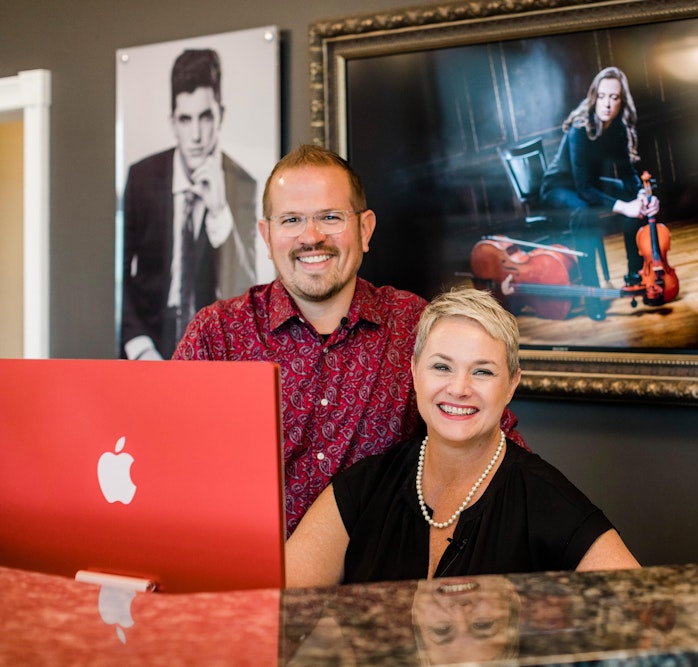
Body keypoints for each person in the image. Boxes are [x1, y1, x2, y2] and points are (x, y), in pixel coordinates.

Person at [172, 145, 523, 535]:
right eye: (291, 219)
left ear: (365, 228)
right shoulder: (217, 336)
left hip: (384, 585)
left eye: (330, 217)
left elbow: (496, 447)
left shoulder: (414, 325)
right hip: (252, 582)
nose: (312, 236)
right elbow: (165, 466)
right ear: (267, 235)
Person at [284, 287, 640, 586]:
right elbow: (269, 606)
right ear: (414, 371)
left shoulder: (547, 499)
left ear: (512, 384)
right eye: (441, 367)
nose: (459, 388)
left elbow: (644, 619)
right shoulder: (363, 486)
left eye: (482, 372)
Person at [121, 48, 257, 360]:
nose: (195, 135)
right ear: (172, 122)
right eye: (185, 119)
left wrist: (221, 212)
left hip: (215, 345)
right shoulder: (141, 177)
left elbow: (249, 287)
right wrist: (140, 348)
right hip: (149, 335)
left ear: (220, 115)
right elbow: (119, 274)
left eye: (205, 117)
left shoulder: (242, 183)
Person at [539, 66, 659, 320]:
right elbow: (583, 189)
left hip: (589, 185)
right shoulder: (580, 129)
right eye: (602, 96)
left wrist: (642, 196)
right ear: (594, 97)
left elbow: (627, 174)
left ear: (621, 102)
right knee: (584, 212)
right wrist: (624, 206)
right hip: (559, 187)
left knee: (633, 202)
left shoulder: (617, 128)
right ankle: (591, 293)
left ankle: (634, 276)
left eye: (614, 98)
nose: (607, 103)